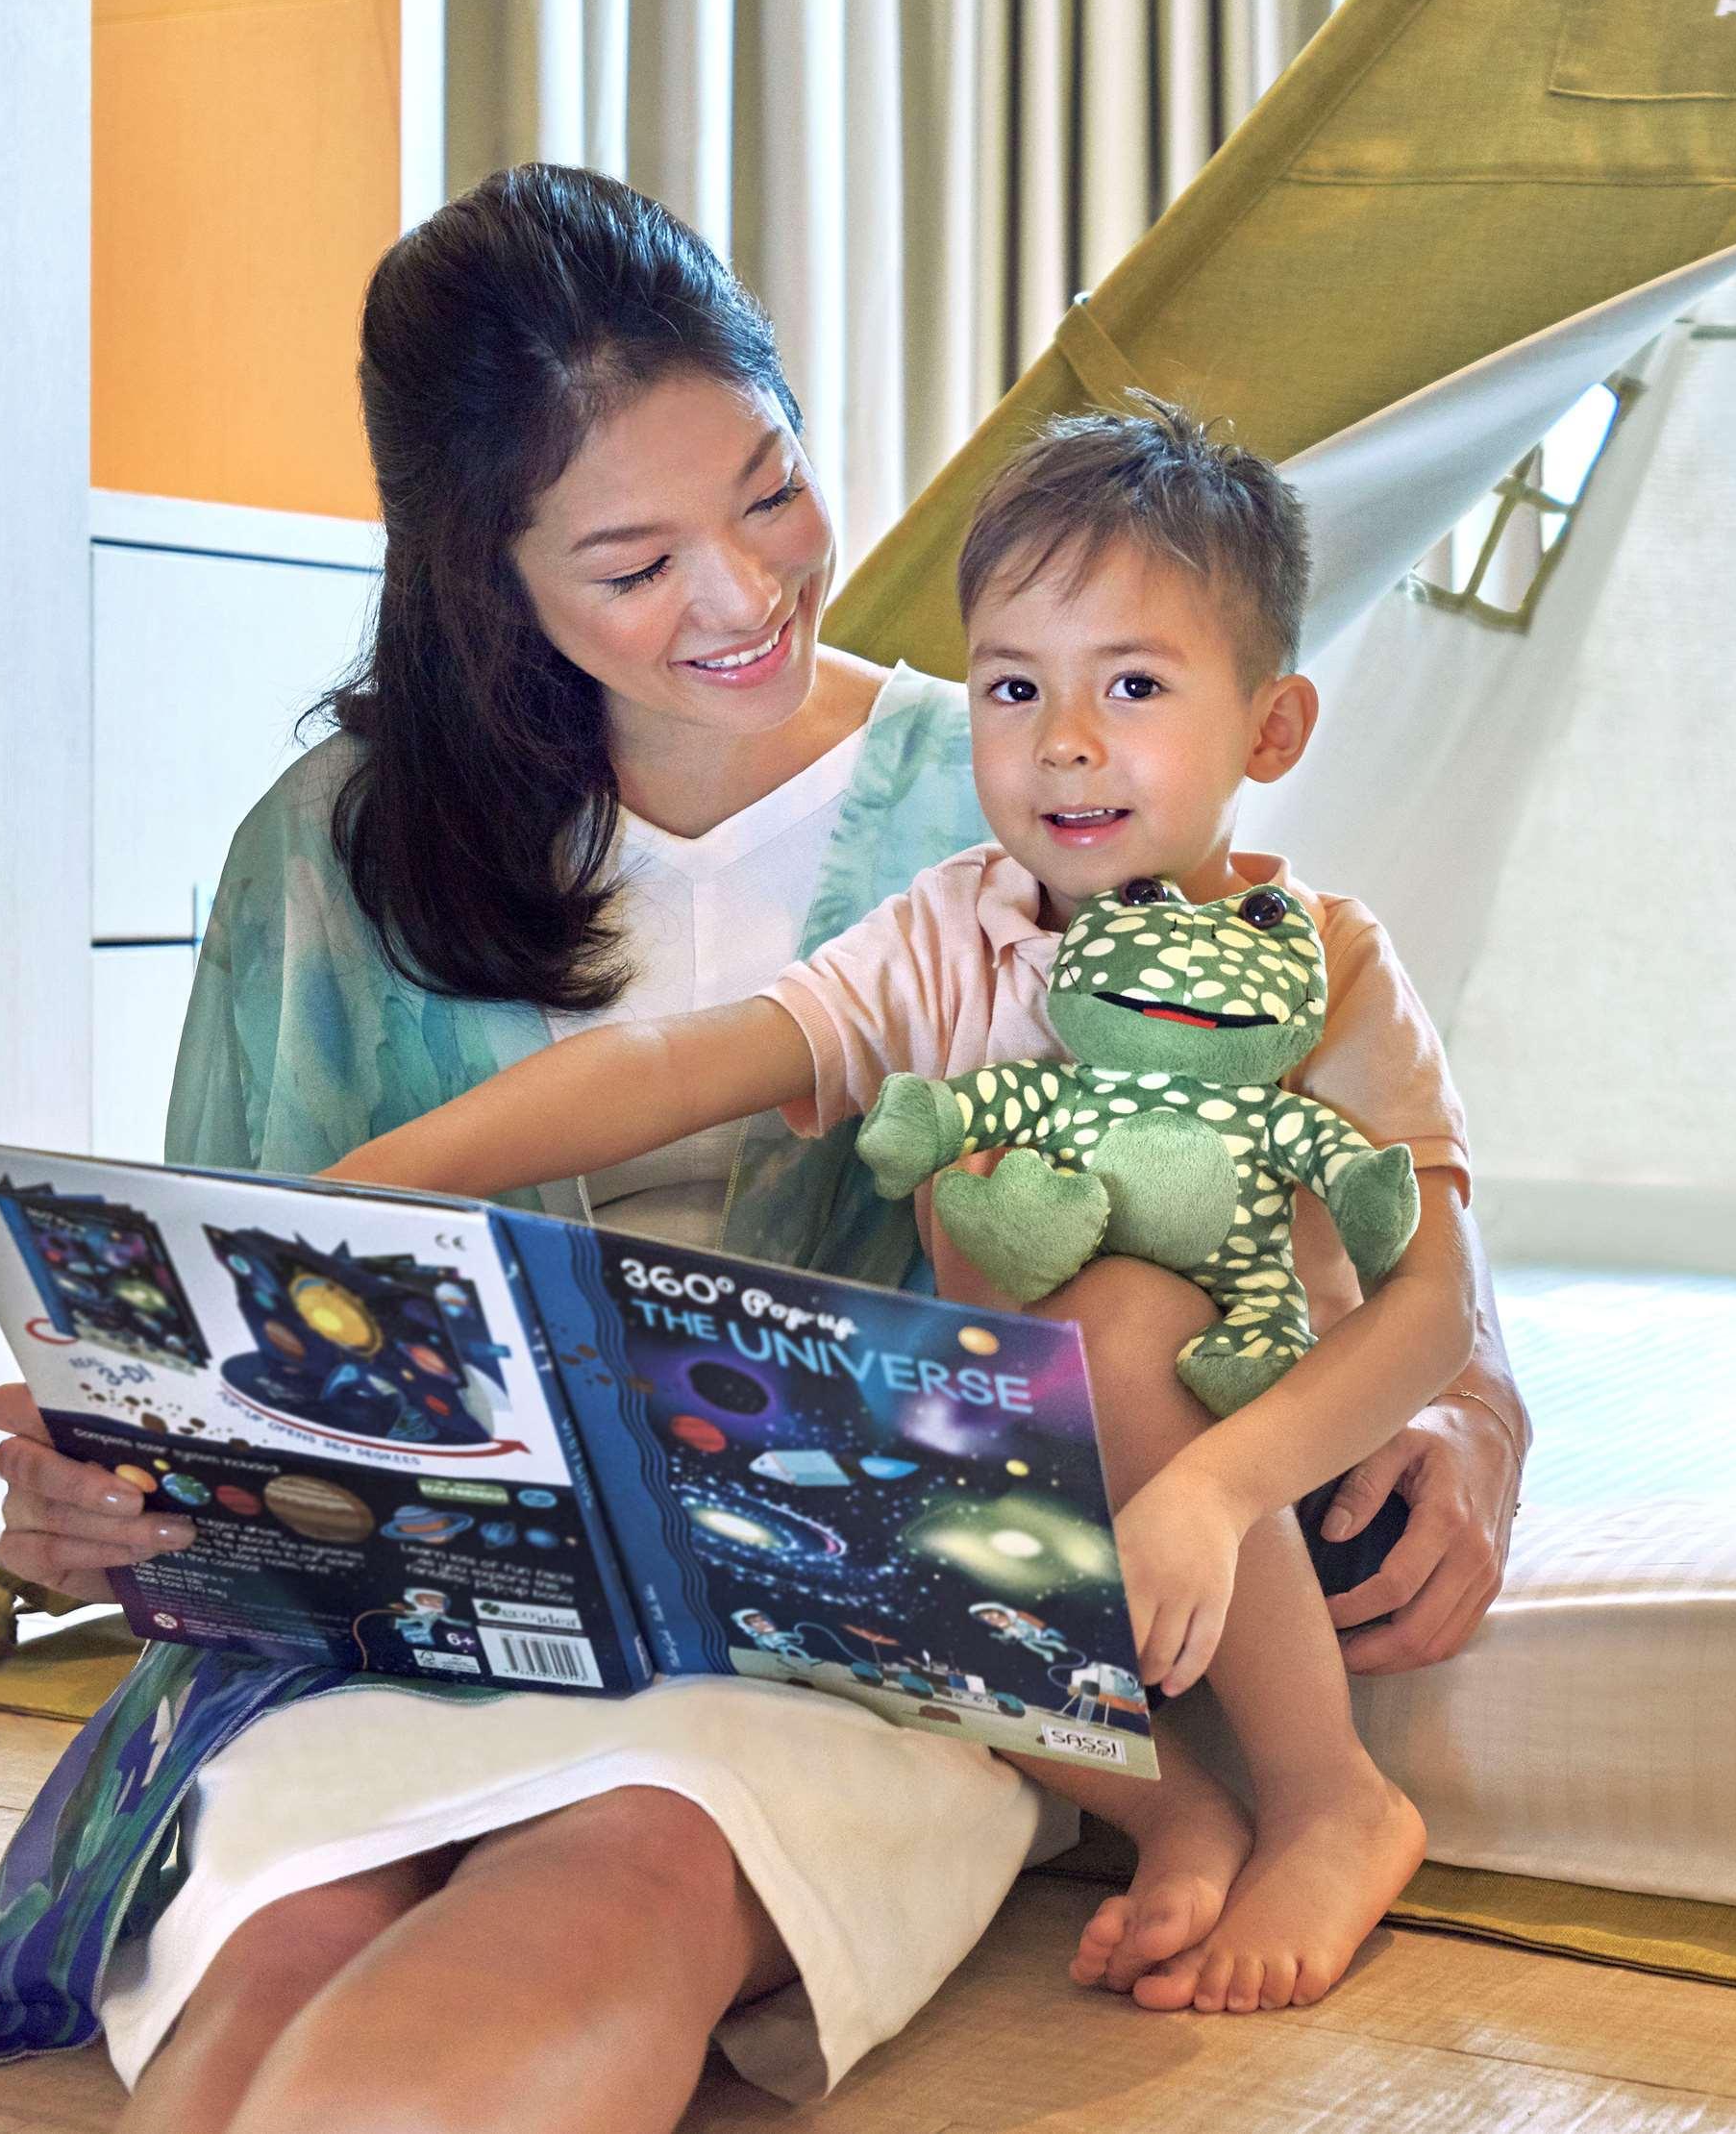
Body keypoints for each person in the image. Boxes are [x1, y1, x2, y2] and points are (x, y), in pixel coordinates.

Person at [0, 165, 1531, 2132]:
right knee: (278, 1954)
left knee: (598, 1894)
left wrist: (1468, 1413)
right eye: (635, 561)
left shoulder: (1006, 808)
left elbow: (1372, 1190)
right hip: (413, 1638)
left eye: (769, 492)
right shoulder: (331, 853)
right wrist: (105, 1485)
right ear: (490, 577)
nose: (739, 596)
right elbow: (265, 1306)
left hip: (839, 1653)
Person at [329, 400, 1460, 2017]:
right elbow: (670, 1065)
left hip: (1253, 1438)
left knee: (1124, 1319)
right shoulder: (950, 929)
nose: (1065, 740)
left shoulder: (1320, 959)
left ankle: (1333, 1791)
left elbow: (1439, 1310)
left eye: (1133, 686)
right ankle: (1165, 1802)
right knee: (773, 1446)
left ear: (1271, 726)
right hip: (1011, 1463)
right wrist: (355, 1191)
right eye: (1015, 686)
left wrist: (1215, 1490)